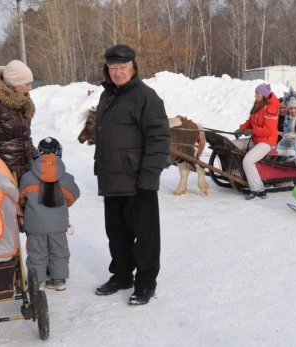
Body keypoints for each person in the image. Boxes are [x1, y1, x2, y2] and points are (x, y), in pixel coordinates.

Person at [93, 44, 171, 305]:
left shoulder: (145, 96)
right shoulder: (107, 96)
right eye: (112, 68)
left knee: (146, 237)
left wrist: (149, 178)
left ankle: (146, 282)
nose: (117, 73)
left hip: (139, 182)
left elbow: (159, 138)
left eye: (122, 67)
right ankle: (122, 275)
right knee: (116, 234)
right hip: (112, 179)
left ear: (133, 68)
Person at [19, 137, 80, 291]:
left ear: (38, 153)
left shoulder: (27, 177)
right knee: (59, 251)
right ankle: (58, 281)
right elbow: (73, 197)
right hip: (58, 225)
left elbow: (21, 199)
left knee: (36, 252)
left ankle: (37, 282)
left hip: (35, 224)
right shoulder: (66, 178)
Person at [233, 83, 280, 200]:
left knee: (248, 161)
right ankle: (236, 175)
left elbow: (268, 130)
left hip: (268, 142)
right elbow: (250, 121)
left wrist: (253, 131)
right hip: (256, 139)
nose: (255, 95)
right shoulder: (258, 105)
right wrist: (242, 128)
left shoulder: (271, 108)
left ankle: (258, 189)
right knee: (231, 145)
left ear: (263, 95)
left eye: (257, 93)